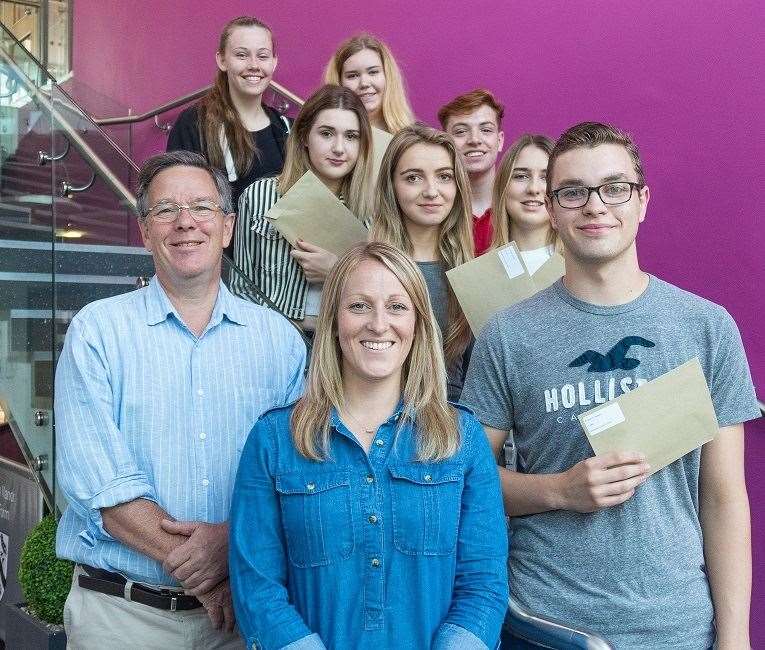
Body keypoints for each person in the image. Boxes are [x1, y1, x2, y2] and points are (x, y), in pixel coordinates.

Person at [462, 122, 760, 648]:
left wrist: (733, 638)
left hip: (677, 628)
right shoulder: (509, 334)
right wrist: (557, 490)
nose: (595, 206)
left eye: (614, 188)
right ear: (552, 209)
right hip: (544, 625)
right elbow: (471, 481)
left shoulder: (706, 328)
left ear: (641, 201)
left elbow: (723, 497)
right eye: (573, 192)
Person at [55, 151, 306, 649]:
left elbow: (295, 476)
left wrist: (232, 542)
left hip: (239, 623)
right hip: (123, 621)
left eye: (202, 208)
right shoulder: (97, 332)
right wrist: (214, 566)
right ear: (145, 231)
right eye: (165, 210)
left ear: (229, 227)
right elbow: (104, 489)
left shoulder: (279, 341)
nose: (185, 222)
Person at [230, 242, 508, 650]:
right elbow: (257, 586)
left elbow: (484, 583)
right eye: (359, 306)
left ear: (418, 323)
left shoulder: (461, 438)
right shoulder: (274, 439)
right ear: (333, 322)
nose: (379, 324)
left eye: (397, 306)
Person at [233, 84, 373, 330]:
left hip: (344, 349)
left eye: (351, 136)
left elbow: (385, 296)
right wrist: (283, 328)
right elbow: (241, 288)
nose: (339, 148)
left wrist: (337, 272)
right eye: (327, 133)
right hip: (273, 343)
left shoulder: (375, 209)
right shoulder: (259, 196)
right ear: (305, 136)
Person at [370, 123, 474, 400]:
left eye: (444, 177)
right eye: (413, 178)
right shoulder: (367, 268)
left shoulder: (472, 274)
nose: (431, 191)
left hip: (452, 424)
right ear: (391, 185)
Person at [167, 17, 291, 209]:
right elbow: (178, 197)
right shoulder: (193, 124)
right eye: (241, 55)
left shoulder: (287, 129)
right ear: (222, 60)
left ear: (274, 62)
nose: (254, 65)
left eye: (263, 56)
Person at [438, 89, 504, 255]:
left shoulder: (520, 207)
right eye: (461, 131)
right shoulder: (434, 209)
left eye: (486, 130)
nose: (474, 140)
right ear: (445, 143)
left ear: (500, 140)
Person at [489, 134, 560, 273]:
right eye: (521, 176)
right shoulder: (478, 273)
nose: (533, 189)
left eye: (546, 178)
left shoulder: (582, 267)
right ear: (503, 186)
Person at [324, 33, 414, 133]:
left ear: (388, 77)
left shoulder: (412, 140)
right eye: (353, 75)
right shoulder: (326, 141)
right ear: (339, 82)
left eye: (373, 72)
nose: (364, 83)